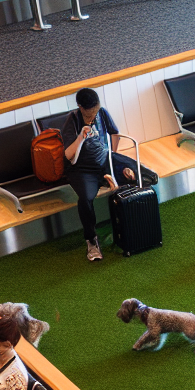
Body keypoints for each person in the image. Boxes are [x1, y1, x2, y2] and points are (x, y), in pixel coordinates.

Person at [61, 87, 155, 262]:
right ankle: (91, 241)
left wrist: (113, 157)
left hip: (104, 160)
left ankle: (135, 224)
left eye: (95, 111)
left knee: (145, 175)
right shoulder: (72, 120)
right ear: (80, 107)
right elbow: (68, 155)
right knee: (86, 199)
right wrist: (81, 136)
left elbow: (114, 134)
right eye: (90, 114)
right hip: (82, 169)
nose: (93, 117)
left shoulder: (102, 113)